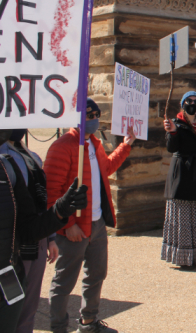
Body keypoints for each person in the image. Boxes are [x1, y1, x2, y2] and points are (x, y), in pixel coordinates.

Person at [45, 98, 135, 333]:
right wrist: (67, 224)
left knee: (96, 275)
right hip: (74, 228)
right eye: (89, 116)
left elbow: (105, 170)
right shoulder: (62, 147)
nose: (94, 120)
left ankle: (88, 322)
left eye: (96, 116)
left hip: (96, 223)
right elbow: (51, 192)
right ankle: (58, 328)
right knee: (64, 281)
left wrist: (125, 146)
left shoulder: (94, 144)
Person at [0, 129, 87, 333]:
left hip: (8, 274)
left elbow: (28, 228)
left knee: (18, 320)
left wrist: (59, 211)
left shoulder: (7, 167)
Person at [0, 130, 59, 333]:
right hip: (13, 246)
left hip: (37, 238)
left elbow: (42, 201)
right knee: (11, 306)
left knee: (29, 305)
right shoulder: (4, 159)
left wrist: (51, 238)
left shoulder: (32, 157)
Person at [162, 92, 196, 268]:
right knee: (184, 217)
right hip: (183, 175)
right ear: (182, 103)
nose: (193, 104)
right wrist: (172, 133)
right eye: (189, 101)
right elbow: (172, 147)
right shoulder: (175, 124)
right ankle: (185, 258)